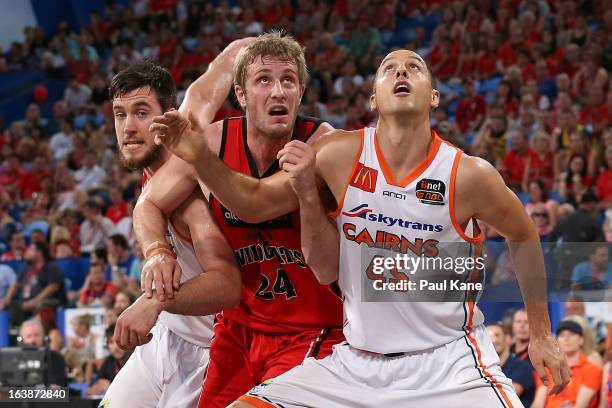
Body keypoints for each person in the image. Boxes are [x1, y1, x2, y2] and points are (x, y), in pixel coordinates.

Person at [151, 48, 571, 407]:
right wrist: (201, 157)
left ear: (435, 97)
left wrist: (540, 334)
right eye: (389, 68)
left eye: (414, 67)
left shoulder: (468, 175)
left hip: (449, 363)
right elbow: (256, 205)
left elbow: (523, 234)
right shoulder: (337, 156)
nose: (401, 72)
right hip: (357, 362)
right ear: (373, 97)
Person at [133, 32, 344, 408]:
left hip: (312, 330)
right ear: (241, 95)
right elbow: (148, 204)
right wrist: (157, 252)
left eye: (288, 80)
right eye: (264, 80)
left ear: (300, 93)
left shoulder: (323, 145)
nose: (278, 91)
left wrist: (200, 160)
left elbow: (255, 205)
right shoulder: (214, 140)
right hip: (238, 330)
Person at [100, 44, 244, 408]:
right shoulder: (152, 174)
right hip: (166, 336)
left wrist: (154, 302)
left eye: (141, 113)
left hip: (207, 351)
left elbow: (228, 285)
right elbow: (219, 68)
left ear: (166, 117)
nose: (129, 127)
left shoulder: (188, 193)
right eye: (120, 115)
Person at [532, 320, 602, 408]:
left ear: (581, 340)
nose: (566, 338)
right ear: (556, 342)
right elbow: (538, 403)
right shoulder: (547, 370)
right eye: (562, 335)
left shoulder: (592, 370)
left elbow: (581, 406)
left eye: (572, 334)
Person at [487, 322, 536, 406]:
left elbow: (506, 395)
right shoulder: (480, 369)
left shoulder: (522, 367)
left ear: (508, 339)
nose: (493, 340)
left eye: (497, 335)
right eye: (487, 337)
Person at [18, 319, 67, 387]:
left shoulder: (55, 358)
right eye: (29, 336)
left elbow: (56, 387)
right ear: (22, 339)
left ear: (43, 337)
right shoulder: (15, 359)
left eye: (36, 335)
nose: (33, 340)